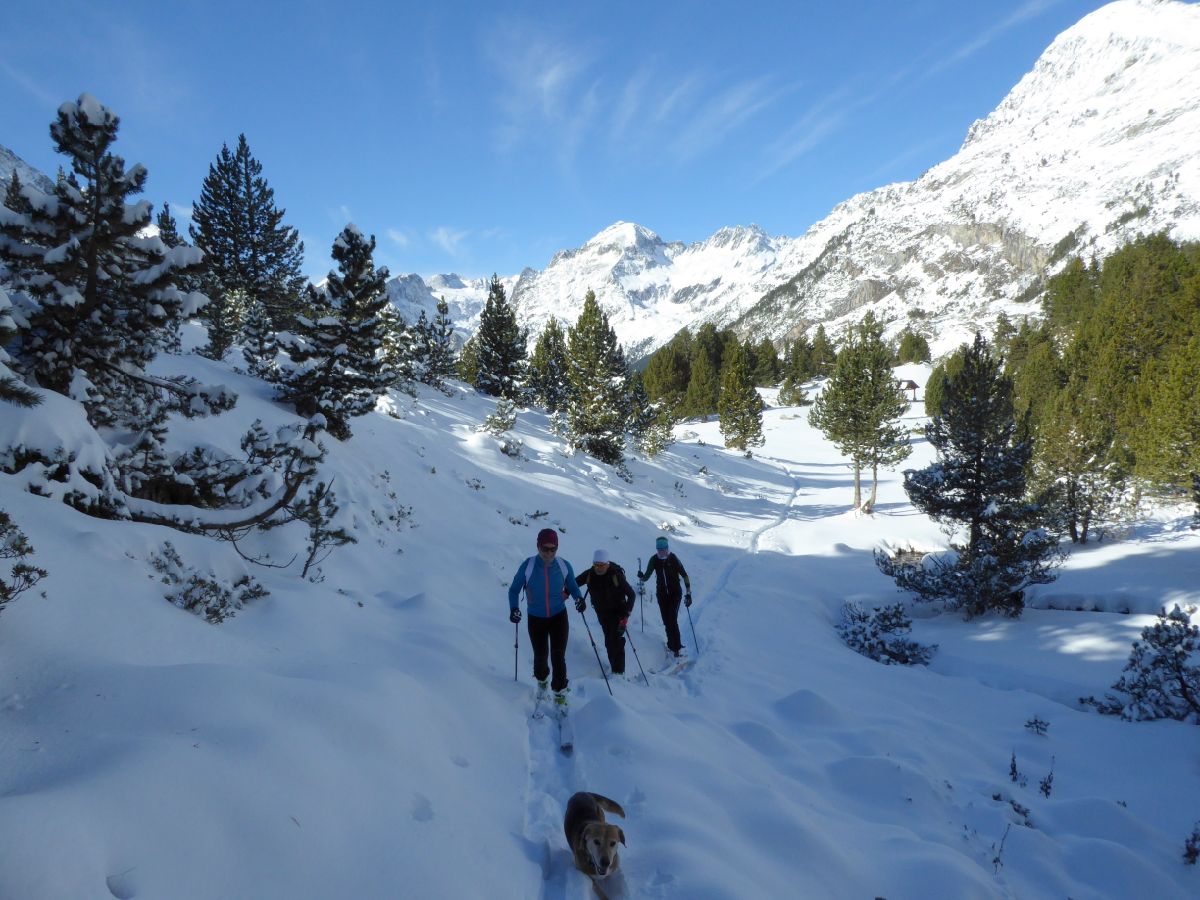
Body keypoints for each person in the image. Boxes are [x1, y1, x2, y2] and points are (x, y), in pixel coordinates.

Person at [508, 527, 585, 706]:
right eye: (545, 549)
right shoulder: (528, 566)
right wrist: (514, 609)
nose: (549, 553)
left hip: (559, 616)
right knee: (541, 656)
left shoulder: (563, 565)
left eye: (553, 549)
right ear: (538, 546)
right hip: (536, 619)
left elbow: (573, 587)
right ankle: (542, 682)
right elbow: (513, 590)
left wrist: (579, 599)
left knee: (558, 656)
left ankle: (560, 695)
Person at [576, 549, 636, 677]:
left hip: (618, 613)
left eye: (602, 565)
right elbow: (574, 584)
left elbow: (631, 595)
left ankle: (619, 673)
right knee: (608, 641)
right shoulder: (590, 574)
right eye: (596, 565)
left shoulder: (615, 575)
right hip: (602, 613)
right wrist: (576, 598)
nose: (599, 568)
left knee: (616, 641)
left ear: (607, 564)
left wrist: (625, 616)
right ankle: (615, 669)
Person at [638, 535, 692, 657]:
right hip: (662, 595)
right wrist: (641, 576)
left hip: (675, 594)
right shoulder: (654, 560)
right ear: (657, 549)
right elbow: (646, 576)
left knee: (672, 620)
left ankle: (677, 648)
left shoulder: (673, 558)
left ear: (668, 548)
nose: (662, 552)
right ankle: (671, 645)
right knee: (666, 621)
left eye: (664, 549)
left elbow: (684, 575)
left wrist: (688, 593)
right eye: (659, 550)